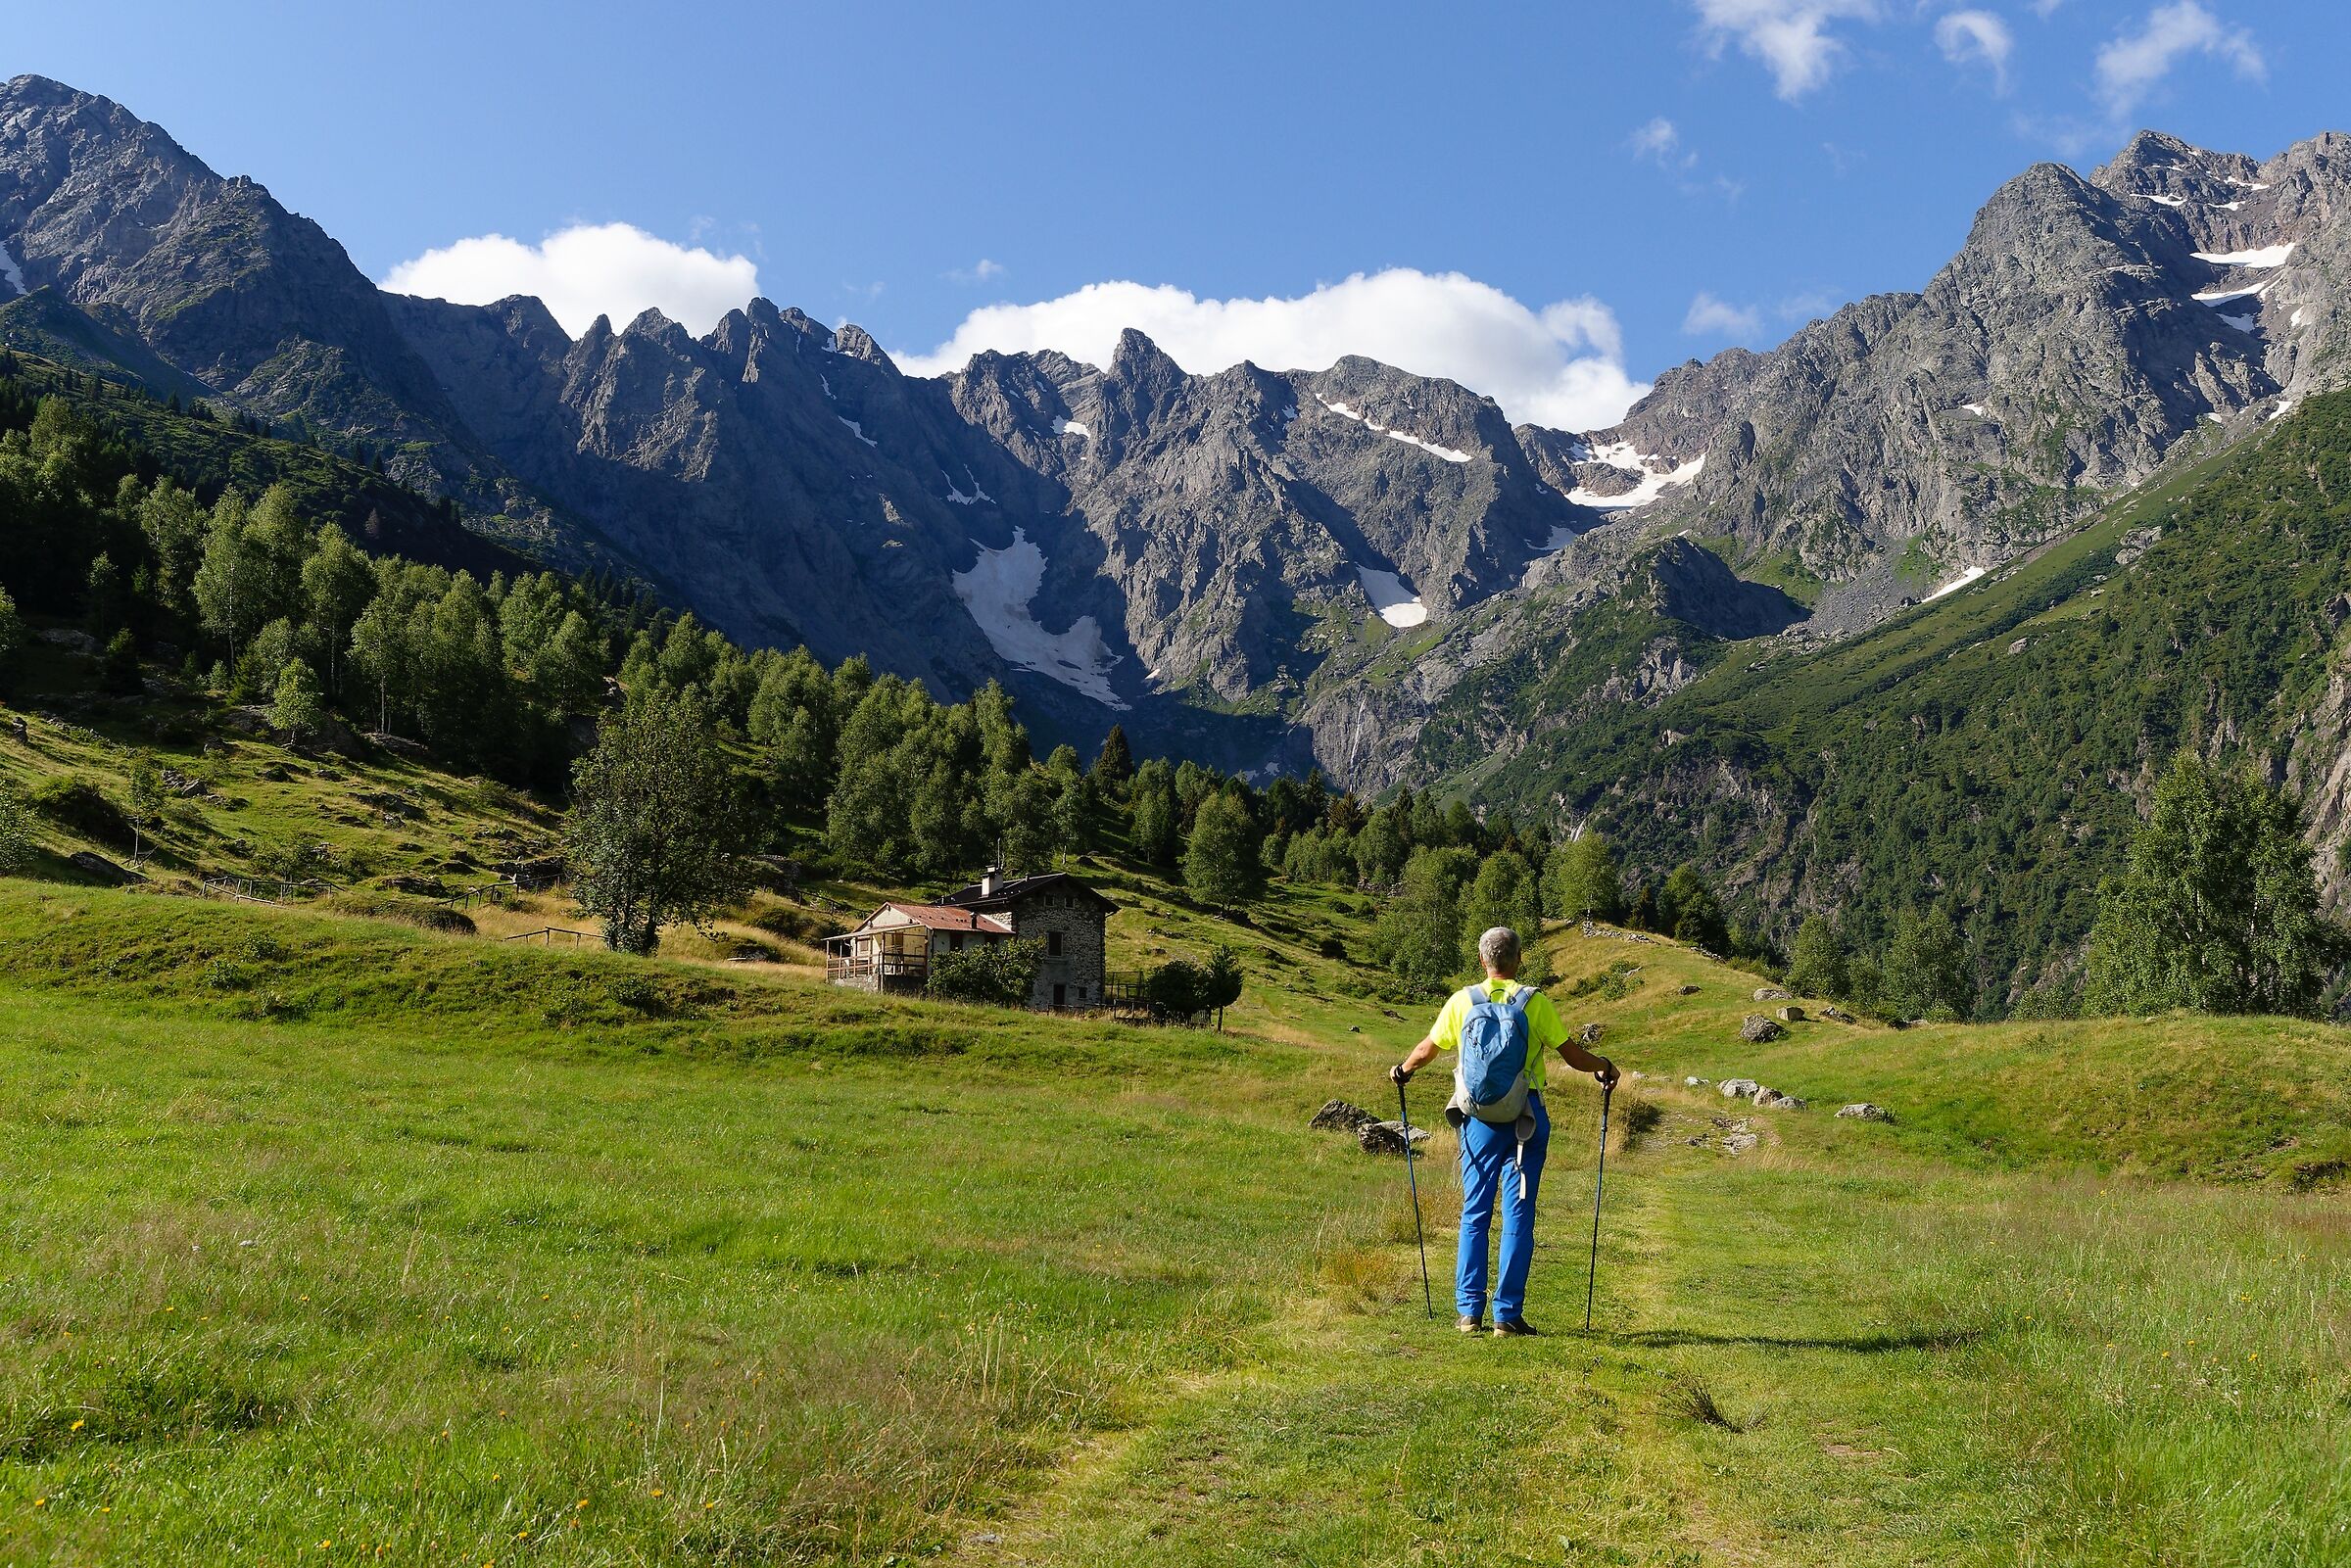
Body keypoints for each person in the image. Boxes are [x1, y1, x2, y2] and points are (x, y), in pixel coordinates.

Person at [1390, 926, 1617, 1336]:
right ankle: (1507, 1315)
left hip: (1478, 1121)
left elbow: (1427, 1050)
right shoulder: (1534, 1003)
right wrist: (1603, 1066)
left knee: (1475, 1212)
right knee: (1519, 1214)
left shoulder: (1462, 1001)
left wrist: (1402, 1071)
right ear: (1519, 959)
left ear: (1482, 960)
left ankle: (1468, 1312)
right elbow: (1572, 1055)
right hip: (1525, 1119)